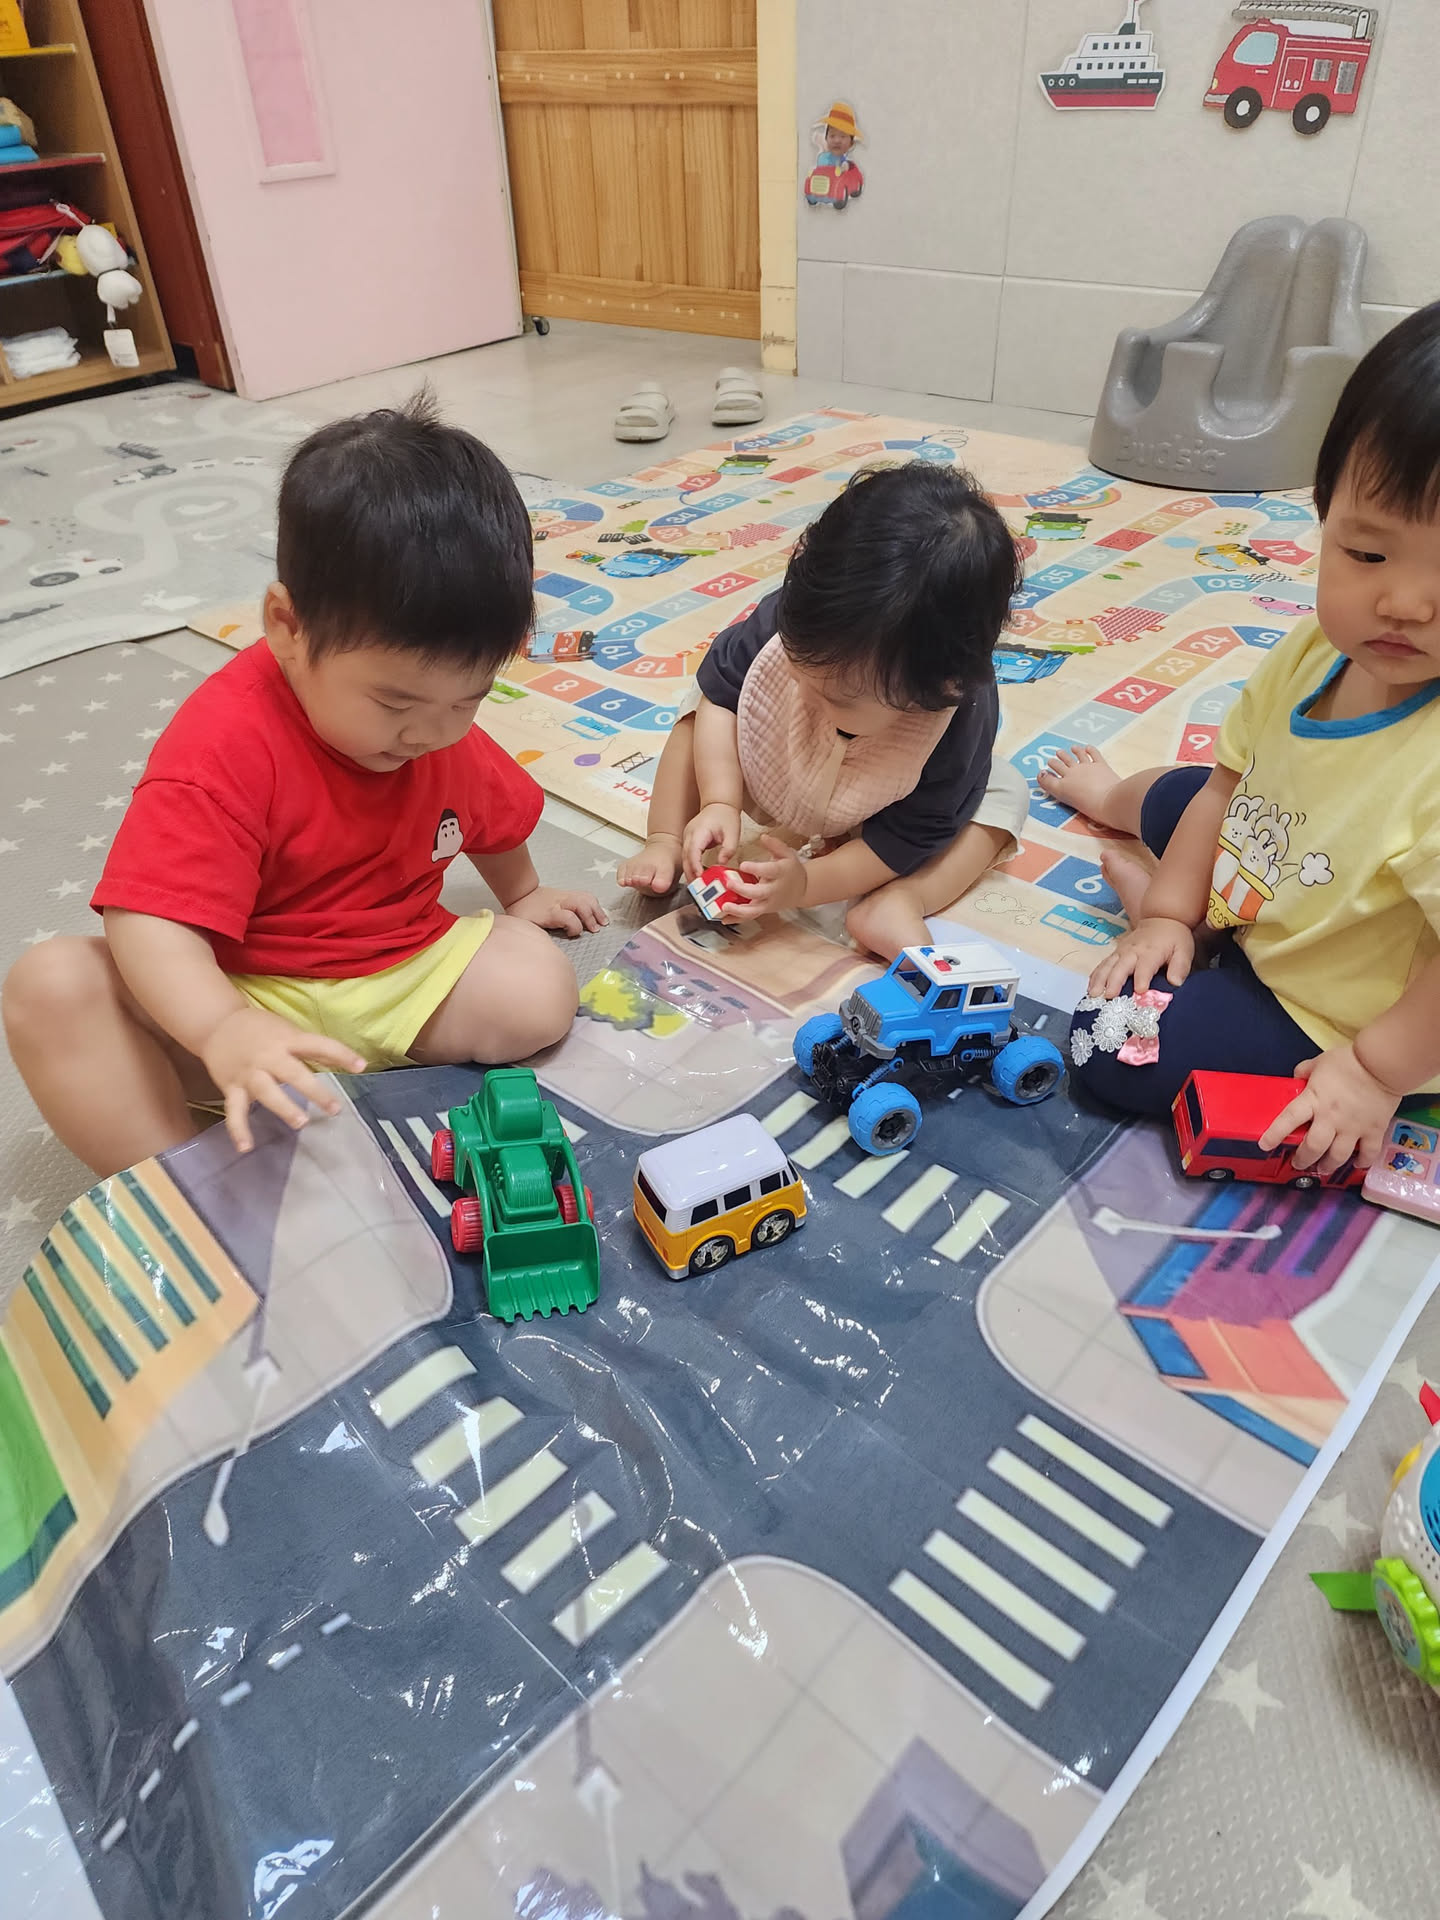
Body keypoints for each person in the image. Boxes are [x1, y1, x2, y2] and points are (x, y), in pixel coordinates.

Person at [3, 395, 604, 1177]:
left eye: (469, 699)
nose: (430, 735)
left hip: (399, 971)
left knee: (539, 986)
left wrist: (522, 895)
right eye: (395, 704)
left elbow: (490, 814)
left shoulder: (438, 727)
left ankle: (335, 1082)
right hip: (242, 991)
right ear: (287, 627)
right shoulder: (223, 743)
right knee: (52, 987)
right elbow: (149, 921)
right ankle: (179, 1187)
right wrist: (221, 1026)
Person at [1040, 301, 1440, 1177]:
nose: (1404, 604)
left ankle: (1200, 930)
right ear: (1325, 514)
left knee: (1109, 1041)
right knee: (1186, 793)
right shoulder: (1315, 651)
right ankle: (1124, 820)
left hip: (1338, 1013)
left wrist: (1373, 1072)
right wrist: (1168, 916)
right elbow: (1229, 787)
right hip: (1280, 864)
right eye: (1368, 555)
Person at [617, 462, 1031, 959]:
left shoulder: (957, 725)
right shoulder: (796, 617)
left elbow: (897, 844)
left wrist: (806, 884)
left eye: (835, 698)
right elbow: (723, 695)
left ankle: (903, 899)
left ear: (940, 687)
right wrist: (719, 800)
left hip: (876, 809)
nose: (806, 696)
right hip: (776, 760)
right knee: (702, 706)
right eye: (797, 672)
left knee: (1003, 792)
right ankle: (664, 837)